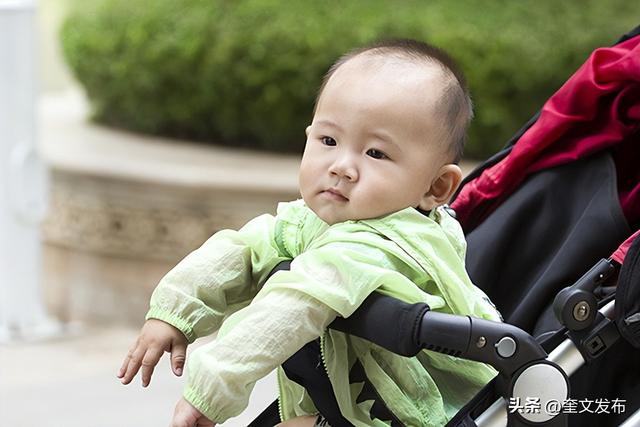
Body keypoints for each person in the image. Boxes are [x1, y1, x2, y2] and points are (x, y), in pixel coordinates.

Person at [117, 39, 502, 427]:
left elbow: (295, 303)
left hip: (424, 415)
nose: (342, 166)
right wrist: (175, 310)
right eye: (329, 141)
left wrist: (212, 387)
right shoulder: (312, 222)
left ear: (435, 187)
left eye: (376, 154)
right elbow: (245, 249)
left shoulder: (388, 243)